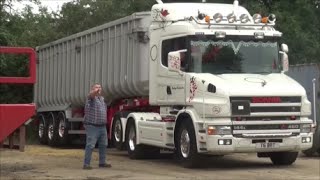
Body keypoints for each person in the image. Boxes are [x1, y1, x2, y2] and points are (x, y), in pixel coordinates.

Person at [83, 83, 111, 169]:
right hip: (93, 126)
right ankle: (86, 164)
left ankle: (102, 162)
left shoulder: (102, 99)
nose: (98, 89)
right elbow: (91, 95)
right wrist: (94, 92)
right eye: (96, 87)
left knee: (103, 145)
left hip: (102, 126)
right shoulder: (91, 99)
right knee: (90, 145)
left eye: (99, 87)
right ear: (92, 89)